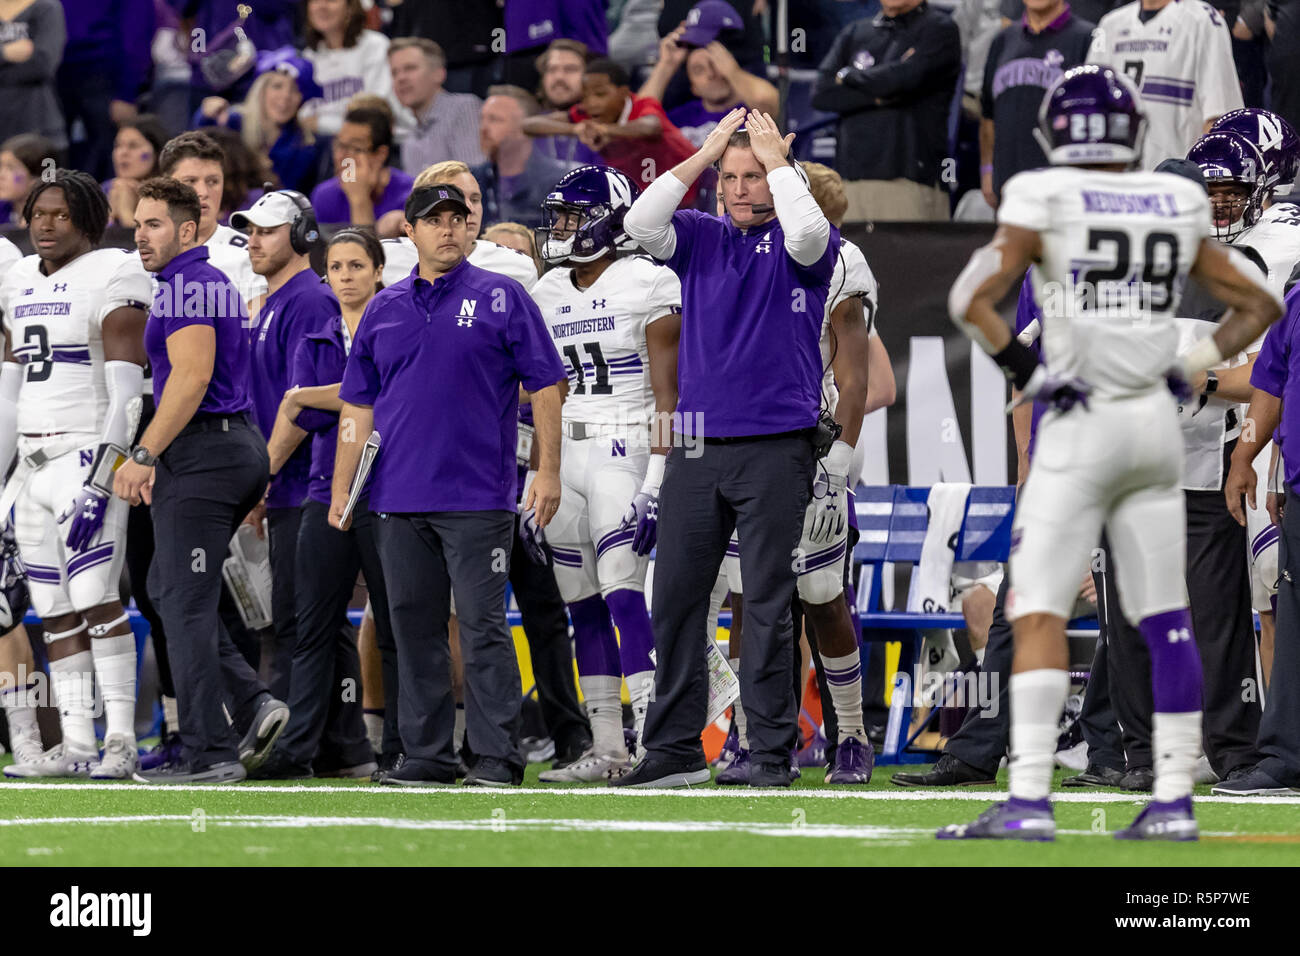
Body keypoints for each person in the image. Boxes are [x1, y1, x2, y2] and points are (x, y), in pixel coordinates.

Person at [941, 66, 1282, 841]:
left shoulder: (1044, 199)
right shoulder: (1174, 201)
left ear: (1057, 131)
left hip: (1080, 425)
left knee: (1038, 611)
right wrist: (1189, 367)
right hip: (1152, 432)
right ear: (1132, 132)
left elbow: (970, 300)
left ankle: (1028, 798)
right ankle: (1169, 798)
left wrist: (1033, 376)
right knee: (1166, 617)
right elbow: (1257, 306)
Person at [615, 108, 838, 789]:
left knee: (767, 601)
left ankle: (771, 752)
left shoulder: (808, 243)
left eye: (754, 177)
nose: (742, 189)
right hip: (695, 442)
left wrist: (777, 163)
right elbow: (638, 223)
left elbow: (804, 230)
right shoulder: (700, 237)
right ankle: (676, 750)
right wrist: (707, 148)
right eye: (731, 179)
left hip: (777, 444)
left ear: (779, 180)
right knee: (676, 597)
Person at [334, 181, 567, 787]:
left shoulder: (504, 295)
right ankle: (428, 755)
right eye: (433, 220)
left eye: (457, 219)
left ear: (470, 229)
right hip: (394, 498)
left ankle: (496, 756)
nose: (448, 229)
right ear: (408, 232)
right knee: (412, 629)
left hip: (477, 496)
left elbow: (546, 384)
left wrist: (547, 468)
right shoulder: (384, 308)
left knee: (484, 628)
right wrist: (343, 489)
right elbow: (357, 408)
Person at [119, 175, 286, 784]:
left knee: (184, 605)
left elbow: (189, 380)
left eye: (154, 224)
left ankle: (208, 752)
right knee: (168, 589)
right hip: (223, 448)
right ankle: (250, 701)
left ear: (188, 230)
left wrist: (143, 454)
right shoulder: (192, 284)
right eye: (137, 224)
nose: (141, 235)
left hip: (204, 453)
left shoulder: (190, 285)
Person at [527, 165, 683, 782]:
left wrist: (656, 483)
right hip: (563, 452)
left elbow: (672, 398)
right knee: (581, 604)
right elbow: (543, 390)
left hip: (625, 445)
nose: (559, 228)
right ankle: (608, 748)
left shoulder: (650, 281)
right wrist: (541, 469)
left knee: (623, 591)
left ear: (604, 222)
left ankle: (653, 738)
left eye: (570, 215)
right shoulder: (546, 292)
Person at [0, 169, 151, 779]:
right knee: (54, 609)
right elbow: (8, 396)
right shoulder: (16, 281)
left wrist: (102, 478)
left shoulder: (114, 272)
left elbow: (128, 398)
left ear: (88, 219)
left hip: (86, 454)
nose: (45, 224)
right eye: (38, 213)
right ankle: (79, 743)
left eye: (61, 214)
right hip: (31, 467)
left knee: (97, 598)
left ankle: (120, 740)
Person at [251, 229, 390, 779]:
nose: (348, 275)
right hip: (320, 491)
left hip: (391, 492)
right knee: (311, 626)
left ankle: (408, 746)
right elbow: (310, 415)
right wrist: (264, 472)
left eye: (358, 265)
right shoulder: (316, 335)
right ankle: (299, 751)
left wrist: (305, 395)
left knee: (399, 627)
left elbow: (379, 393)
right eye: (337, 267)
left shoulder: (398, 323)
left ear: (379, 271)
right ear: (326, 275)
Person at [230, 190, 339, 708]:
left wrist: (261, 478)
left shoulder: (310, 300)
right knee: (298, 619)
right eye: (249, 231)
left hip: (301, 485)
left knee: (302, 621)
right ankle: (340, 747)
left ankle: (306, 741)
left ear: (301, 236)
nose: (254, 240)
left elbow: (301, 405)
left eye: (267, 230)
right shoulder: (273, 302)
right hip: (282, 486)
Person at [1220, 272, 1300, 795]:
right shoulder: (1297, 298)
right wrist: (1246, 457)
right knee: (1293, 629)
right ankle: (1286, 759)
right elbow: (1272, 383)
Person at [811, 0, 962, 222]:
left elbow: (905, 79)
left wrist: (849, 76)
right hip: (848, 184)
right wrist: (881, 94)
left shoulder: (940, 28)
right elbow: (821, 94)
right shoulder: (854, 32)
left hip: (907, 179)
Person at [523, 59, 699, 208]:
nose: (591, 103)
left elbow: (651, 127)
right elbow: (529, 125)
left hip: (692, 188)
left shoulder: (643, 105)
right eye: (584, 97)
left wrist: (606, 130)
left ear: (623, 93)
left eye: (600, 94)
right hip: (646, 200)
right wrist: (575, 129)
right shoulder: (587, 115)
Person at [1087, 0, 1242, 169]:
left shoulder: (1204, 19)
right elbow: (1091, 106)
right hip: (1119, 179)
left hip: (1178, 179)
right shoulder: (1109, 24)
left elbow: (1219, 118)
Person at [979, 0, 1095, 208]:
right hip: (1008, 184)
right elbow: (988, 115)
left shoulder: (1088, 38)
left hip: (1063, 189)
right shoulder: (1003, 39)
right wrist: (987, 169)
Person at [380, 159, 539, 289]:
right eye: (457, 200)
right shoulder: (383, 257)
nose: (469, 208)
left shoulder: (517, 267)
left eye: (475, 199)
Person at [195, 48, 328, 195]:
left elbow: (287, 199)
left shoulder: (304, 146)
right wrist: (205, 118)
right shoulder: (232, 123)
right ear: (260, 90)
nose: (285, 97)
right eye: (277, 86)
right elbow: (196, 157)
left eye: (295, 90)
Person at [55, 0, 154, 181]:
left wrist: (127, 93)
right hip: (55, 74)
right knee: (53, 156)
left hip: (105, 75)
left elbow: (137, 30)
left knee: (110, 158)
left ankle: (112, 206)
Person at [639, 31, 778, 148]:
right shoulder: (681, 117)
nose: (711, 74)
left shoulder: (752, 112)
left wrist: (733, 72)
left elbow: (767, 101)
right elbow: (638, 119)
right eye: (699, 70)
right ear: (693, 87)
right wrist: (666, 64)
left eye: (715, 63)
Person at [472, 85, 575, 230]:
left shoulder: (558, 185)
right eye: (482, 119)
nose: (484, 128)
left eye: (495, 120)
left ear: (525, 129)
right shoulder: (472, 180)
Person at [388, 37, 485, 174]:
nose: (401, 78)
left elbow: (472, 180)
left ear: (439, 74)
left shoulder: (464, 108)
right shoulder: (409, 138)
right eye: (394, 73)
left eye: (410, 68)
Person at [310, 104, 415, 229]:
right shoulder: (324, 196)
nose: (340, 157)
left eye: (355, 148)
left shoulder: (410, 196)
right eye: (339, 145)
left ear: (380, 155)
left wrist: (359, 199)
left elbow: (367, 249)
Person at [299, 0, 394, 138]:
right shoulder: (309, 56)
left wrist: (321, 124)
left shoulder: (375, 46)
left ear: (351, 7)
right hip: (320, 147)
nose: (321, 6)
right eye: (315, 0)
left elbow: (377, 115)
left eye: (331, 1)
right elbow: (303, 117)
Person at [0, 0, 66, 151]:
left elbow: (43, 65)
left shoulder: (47, 8)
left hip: (38, 125)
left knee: (46, 174)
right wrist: (5, 53)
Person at [530, 39, 600, 166]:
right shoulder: (528, 132)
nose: (559, 77)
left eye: (570, 69)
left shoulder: (606, 122)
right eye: (552, 69)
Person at [104, 114, 168, 228]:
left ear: (157, 152)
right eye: (118, 145)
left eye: (133, 146)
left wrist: (126, 214)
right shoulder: (104, 191)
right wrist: (110, 215)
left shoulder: (172, 196)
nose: (123, 153)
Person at [0, 133, 62, 225]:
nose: (1, 175)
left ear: (37, 178)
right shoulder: (3, 208)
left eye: (11, 168)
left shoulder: (57, 219)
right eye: (0, 166)